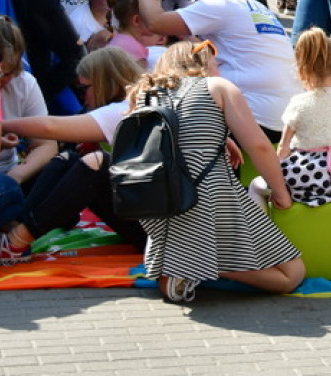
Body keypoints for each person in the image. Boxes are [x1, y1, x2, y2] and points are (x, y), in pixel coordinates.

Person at [130, 43, 304, 303]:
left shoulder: (146, 93)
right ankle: (204, 267)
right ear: (203, 63)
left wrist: (220, 138)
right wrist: (280, 192)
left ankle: (179, 267)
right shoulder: (218, 88)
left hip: (159, 202)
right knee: (291, 274)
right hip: (208, 196)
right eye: (216, 63)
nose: (218, 69)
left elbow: (174, 137)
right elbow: (259, 147)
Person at [0, 47, 147, 264]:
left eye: (84, 88)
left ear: (104, 82)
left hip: (154, 230)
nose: (82, 97)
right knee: (70, 159)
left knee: (93, 163)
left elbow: (50, 129)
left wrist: (3, 126)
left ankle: (16, 240)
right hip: (147, 214)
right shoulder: (134, 104)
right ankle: (15, 228)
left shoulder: (125, 108)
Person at [137, 0, 302, 139]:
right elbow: (222, 50)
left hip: (257, 117)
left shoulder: (220, 1)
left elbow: (156, 22)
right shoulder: (255, 7)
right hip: (287, 116)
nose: (197, 1)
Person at [249, 27, 331, 210]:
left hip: (303, 176)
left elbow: (284, 149)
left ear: (300, 72)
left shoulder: (298, 103)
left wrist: (276, 178)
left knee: (255, 185)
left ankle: (259, 235)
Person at [0, 18, 56, 188]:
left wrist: (15, 177)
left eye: (7, 74)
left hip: (8, 172)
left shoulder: (24, 83)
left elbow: (47, 144)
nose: (1, 79)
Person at [104, 0, 160, 66]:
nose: (158, 20)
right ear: (136, 20)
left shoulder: (117, 40)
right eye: (152, 15)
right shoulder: (134, 51)